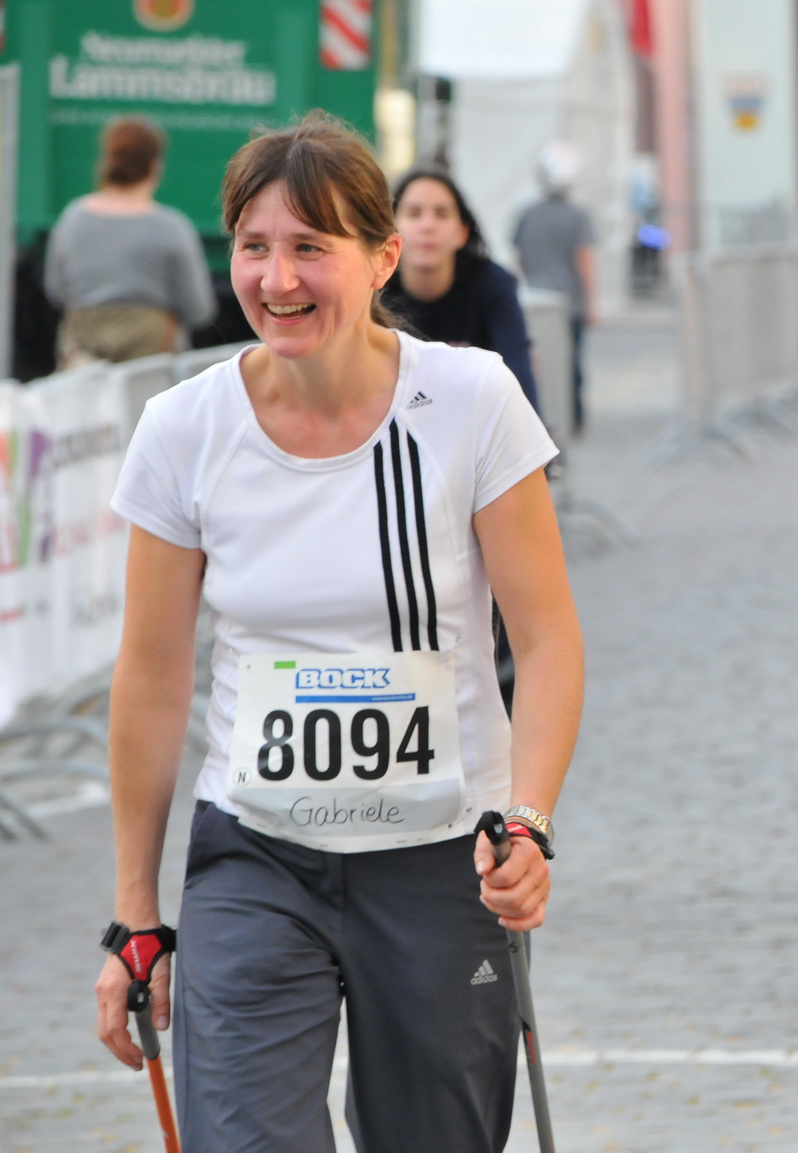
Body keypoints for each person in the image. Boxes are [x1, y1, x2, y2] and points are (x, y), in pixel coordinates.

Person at [94, 113, 584, 1152]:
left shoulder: (469, 400)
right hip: (257, 857)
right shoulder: (184, 429)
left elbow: (544, 642)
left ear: (382, 258)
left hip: (446, 856)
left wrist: (531, 820)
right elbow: (148, 677)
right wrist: (136, 915)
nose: (277, 279)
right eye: (255, 247)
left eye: (310, 247)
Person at [46, 116, 216, 368]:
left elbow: (56, 291)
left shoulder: (73, 219)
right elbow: (199, 309)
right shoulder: (172, 227)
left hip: (84, 357)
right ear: (154, 167)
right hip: (151, 363)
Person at [382, 167, 540, 410]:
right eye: (414, 214)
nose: (427, 225)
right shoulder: (372, 289)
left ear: (462, 232)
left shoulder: (494, 286)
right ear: (391, 231)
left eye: (442, 214)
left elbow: (519, 383)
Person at [514, 142, 598, 430]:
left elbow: (520, 256)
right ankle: (573, 417)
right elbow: (583, 259)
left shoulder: (528, 213)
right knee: (571, 362)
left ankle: (538, 414)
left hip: (535, 302)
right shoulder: (578, 216)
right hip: (569, 303)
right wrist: (590, 302)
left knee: (537, 361)